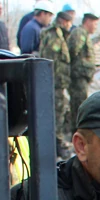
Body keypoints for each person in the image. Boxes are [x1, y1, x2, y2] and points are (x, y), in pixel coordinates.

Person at [40, 10, 72, 158]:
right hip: (54, 83)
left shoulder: (59, 35)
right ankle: (55, 146)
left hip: (58, 83)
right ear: (64, 22)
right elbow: (50, 61)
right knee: (56, 114)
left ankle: (56, 144)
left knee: (59, 112)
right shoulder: (54, 36)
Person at [67, 11, 98, 133]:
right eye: (94, 24)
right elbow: (73, 52)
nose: (95, 27)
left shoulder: (85, 34)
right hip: (78, 77)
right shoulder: (79, 33)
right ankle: (78, 132)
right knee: (79, 105)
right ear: (88, 22)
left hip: (83, 76)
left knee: (81, 103)